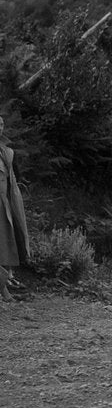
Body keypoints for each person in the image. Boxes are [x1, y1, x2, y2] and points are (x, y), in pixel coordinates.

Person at [0, 115, 30, 302]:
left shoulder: (7, 153)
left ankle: (4, 288)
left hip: (3, 205)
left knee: (4, 247)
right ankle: (4, 291)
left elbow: (13, 180)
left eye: (1, 124)